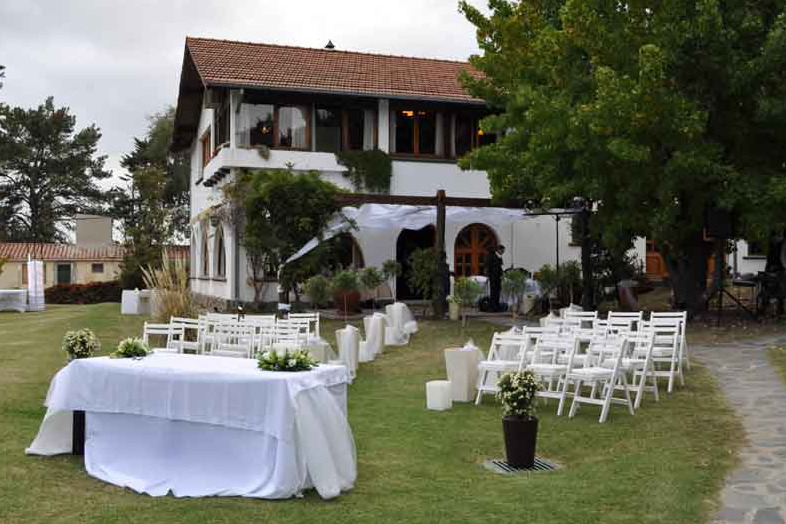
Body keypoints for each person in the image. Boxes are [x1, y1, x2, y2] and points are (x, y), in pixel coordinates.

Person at [486, 244, 505, 312]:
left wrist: (502, 273)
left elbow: (501, 266)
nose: (503, 252)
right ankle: (491, 307)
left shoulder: (500, 257)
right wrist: (488, 275)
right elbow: (488, 266)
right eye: (502, 251)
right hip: (493, 277)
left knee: (497, 292)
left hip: (498, 277)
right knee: (493, 292)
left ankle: (496, 306)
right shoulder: (491, 256)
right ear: (499, 250)